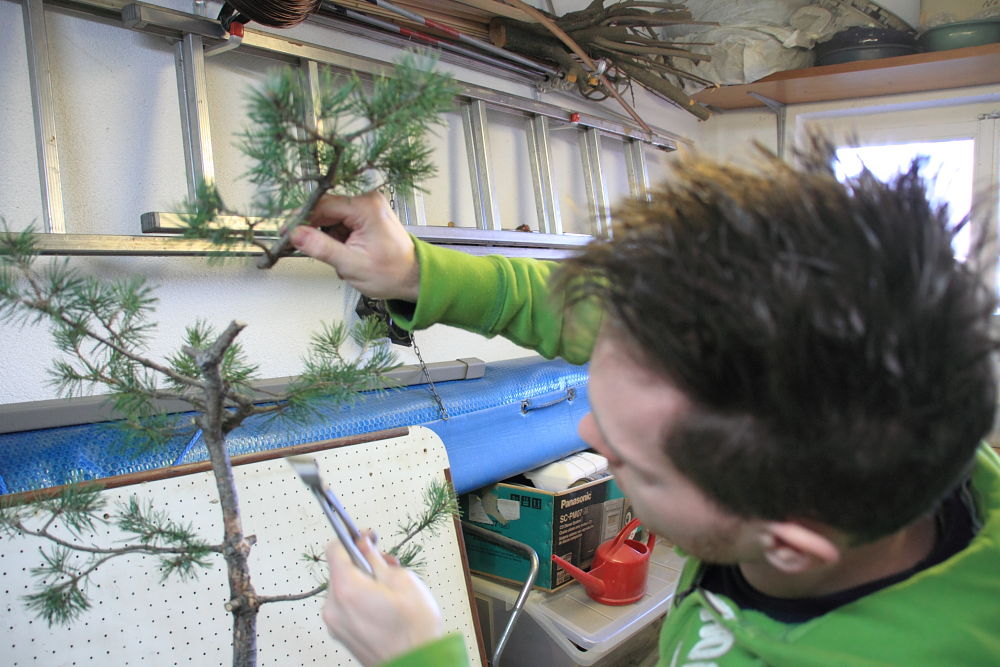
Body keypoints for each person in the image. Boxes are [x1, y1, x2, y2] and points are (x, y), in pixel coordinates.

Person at [292, 142, 1000, 666]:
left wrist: (421, 658)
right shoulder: (884, 424)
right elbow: (586, 314)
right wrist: (415, 270)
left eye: (638, 462)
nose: (588, 430)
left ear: (788, 546)